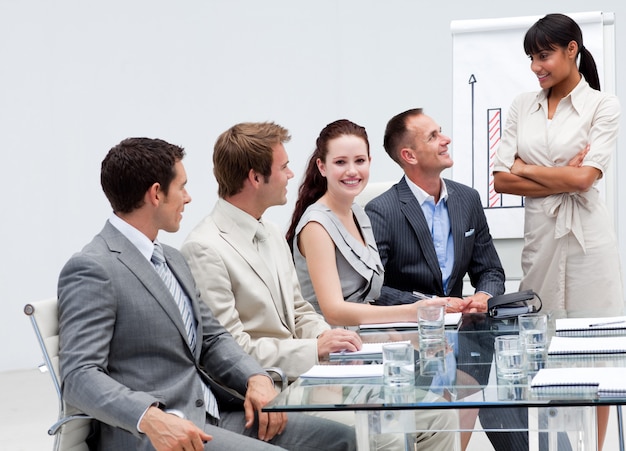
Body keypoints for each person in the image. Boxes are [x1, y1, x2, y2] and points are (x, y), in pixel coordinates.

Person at [57, 137, 356, 451]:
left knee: (340, 438)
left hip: (209, 412)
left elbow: (212, 337)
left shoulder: (171, 259)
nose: (188, 198)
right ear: (156, 194)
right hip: (153, 433)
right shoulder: (93, 267)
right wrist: (149, 417)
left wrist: (255, 377)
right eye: (182, 187)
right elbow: (79, 375)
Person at [181, 122, 458, 450]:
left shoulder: (270, 231)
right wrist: (315, 349)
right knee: (385, 434)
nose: (290, 175)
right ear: (256, 178)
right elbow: (230, 349)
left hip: (311, 376)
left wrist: (329, 339)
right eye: (283, 167)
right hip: (269, 387)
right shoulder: (204, 247)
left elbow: (299, 310)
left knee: (440, 413)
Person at [493, 13, 625, 450]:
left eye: (544, 55)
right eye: (531, 57)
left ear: (572, 49)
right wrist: (560, 174)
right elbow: (500, 180)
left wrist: (527, 167)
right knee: (542, 346)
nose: (536, 66)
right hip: (542, 239)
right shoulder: (520, 106)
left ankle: (598, 448)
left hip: (589, 242)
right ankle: (555, 445)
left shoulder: (603, 106)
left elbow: (585, 179)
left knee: (599, 355)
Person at [286, 118, 447, 326]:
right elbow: (333, 311)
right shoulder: (316, 226)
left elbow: (367, 301)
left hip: (364, 337)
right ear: (322, 167)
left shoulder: (358, 212)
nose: (352, 171)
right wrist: (411, 311)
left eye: (360, 161)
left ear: (370, 162)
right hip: (332, 343)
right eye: (340, 162)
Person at [364, 108, 505, 313]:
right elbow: (372, 288)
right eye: (433, 136)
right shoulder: (381, 211)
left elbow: (490, 270)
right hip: (408, 330)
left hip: (461, 325)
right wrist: (431, 305)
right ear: (409, 156)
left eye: (440, 131)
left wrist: (483, 296)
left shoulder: (468, 199)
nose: (446, 139)